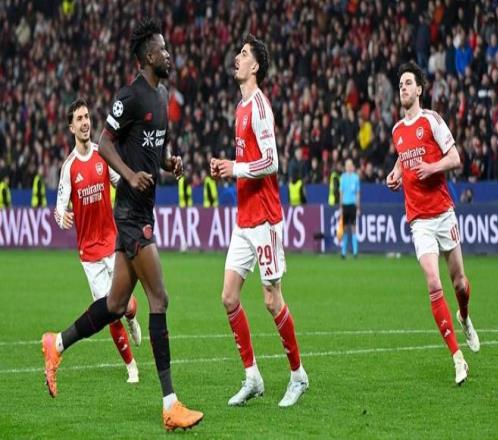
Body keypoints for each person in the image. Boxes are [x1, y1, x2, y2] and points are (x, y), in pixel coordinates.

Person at [41, 18, 203, 431]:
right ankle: (170, 404)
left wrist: (169, 163)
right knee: (159, 299)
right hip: (130, 216)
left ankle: (56, 343)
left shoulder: (162, 96)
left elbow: (154, 149)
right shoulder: (129, 96)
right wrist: (129, 176)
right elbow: (105, 143)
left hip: (143, 211)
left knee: (115, 306)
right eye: (162, 49)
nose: (168, 54)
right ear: (147, 56)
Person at [211, 34, 308, 408]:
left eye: (243, 53)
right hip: (244, 219)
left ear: (255, 66)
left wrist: (234, 167)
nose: (237, 57)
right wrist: (228, 167)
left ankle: (298, 375)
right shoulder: (240, 108)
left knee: (271, 299)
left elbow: (272, 161)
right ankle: (252, 376)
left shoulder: (260, 108)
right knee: (228, 296)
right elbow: (250, 160)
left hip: (265, 219)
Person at [386, 61, 480, 385]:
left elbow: (455, 158)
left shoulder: (432, 121)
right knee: (433, 283)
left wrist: (432, 168)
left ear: (420, 90)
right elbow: (404, 156)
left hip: (443, 213)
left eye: (408, 83)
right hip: (419, 220)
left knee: (459, 284)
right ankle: (458, 358)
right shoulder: (397, 130)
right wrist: (396, 173)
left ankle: (464, 316)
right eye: (400, 84)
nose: (403, 87)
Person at [54, 98, 141, 384]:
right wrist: (62, 217)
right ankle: (131, 366)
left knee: (126, 306)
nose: (85, 123)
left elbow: (120, 181)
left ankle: (132, 317)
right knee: (110, 313)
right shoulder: (69, 168)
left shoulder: (103, 155)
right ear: (71, 127)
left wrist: (133, 187)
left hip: (112, 244)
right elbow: (58, 208)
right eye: (79, 119)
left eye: (87, 117)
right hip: (89, 254)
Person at [339, 159, 360, 258]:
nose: (349, 167)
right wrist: (340, 207)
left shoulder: (356, 178)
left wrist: (358, 207)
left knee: (353, 228)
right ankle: (343, 252)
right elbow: (341, 193)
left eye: (350, 165)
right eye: (347, 166)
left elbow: (357, 193)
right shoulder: (342, 177)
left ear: (352, 167)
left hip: (352, 205)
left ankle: (355, 252)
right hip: (345, 205)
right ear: (345, 167)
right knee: (344, 229)